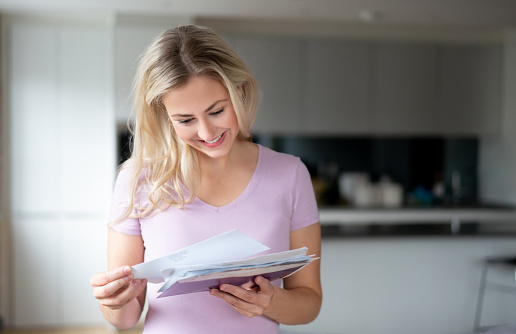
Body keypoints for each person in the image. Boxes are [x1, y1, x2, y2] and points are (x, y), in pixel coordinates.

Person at [90, 24, 322, 334]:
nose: (207, 133)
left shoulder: (290, 174)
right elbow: (126, 319)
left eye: (216, 111)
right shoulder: (137, 179)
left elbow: (309, 304)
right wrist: (114, 302)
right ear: (164, 116)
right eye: (185, 120)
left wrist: (271, 302)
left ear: (238, 92)